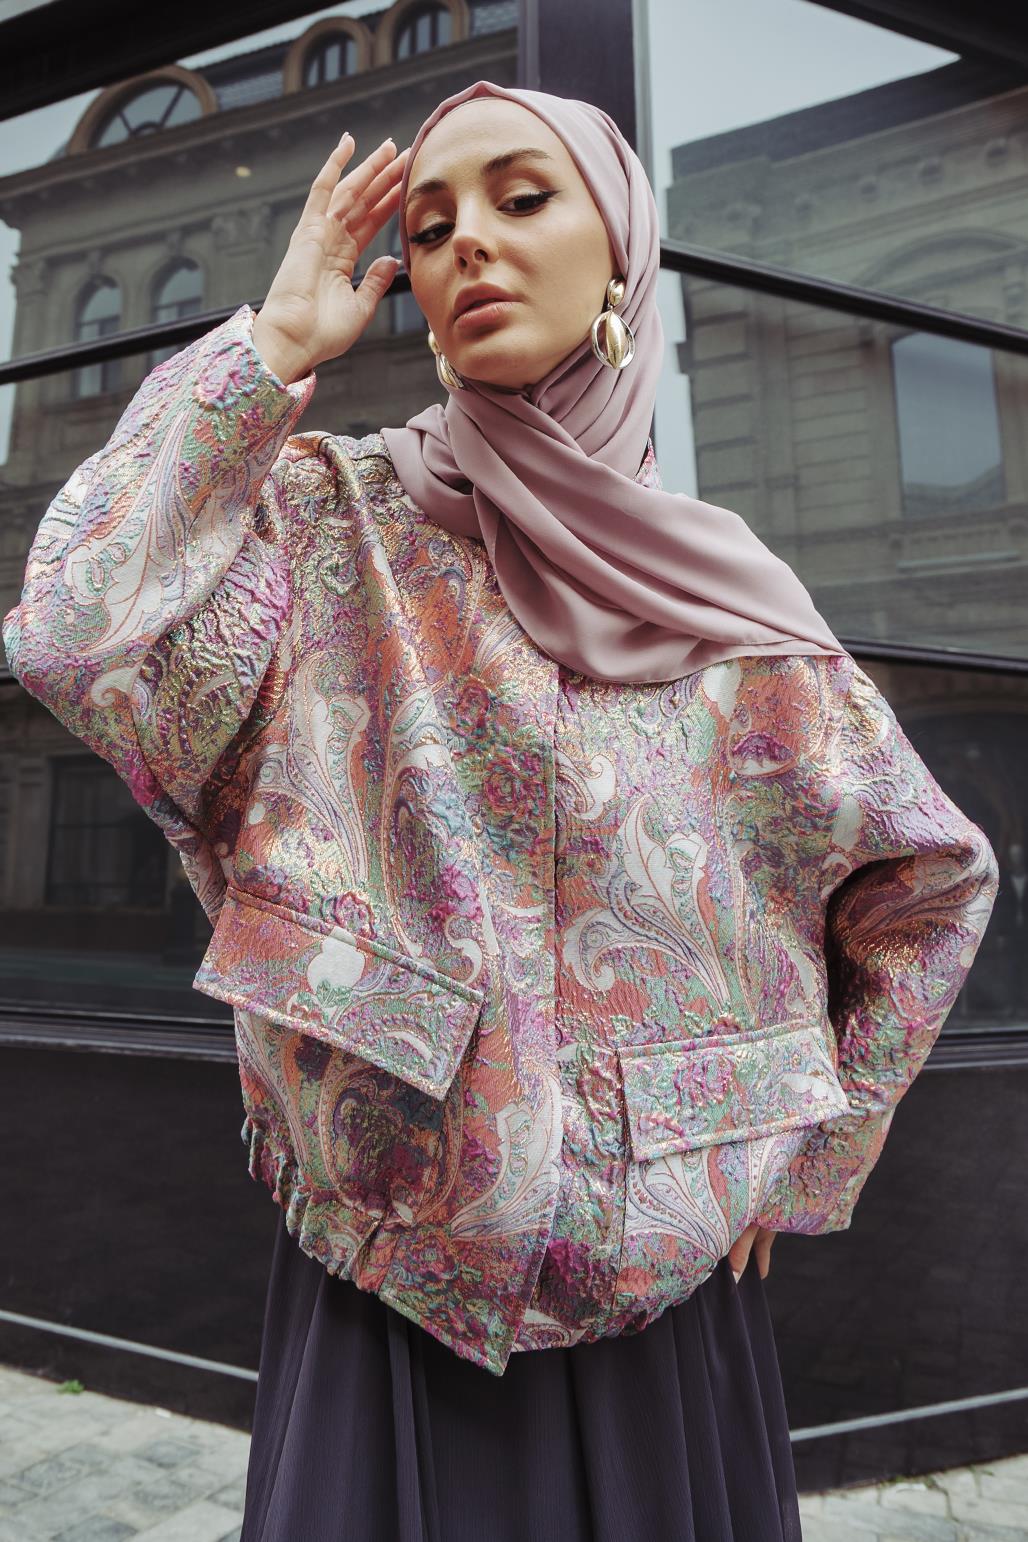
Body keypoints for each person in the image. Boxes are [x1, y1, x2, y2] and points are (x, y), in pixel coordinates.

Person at [2, 79, 998, 1542]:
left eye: (523, 198)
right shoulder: (328, 521)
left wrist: (804, 1157)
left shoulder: (741, 611)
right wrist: (269, 349)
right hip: (386, 1288)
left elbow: (929, 887)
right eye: (428, 226)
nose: (467, 239)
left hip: (665, 1306)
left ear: (621, 252)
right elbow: (73, 625)